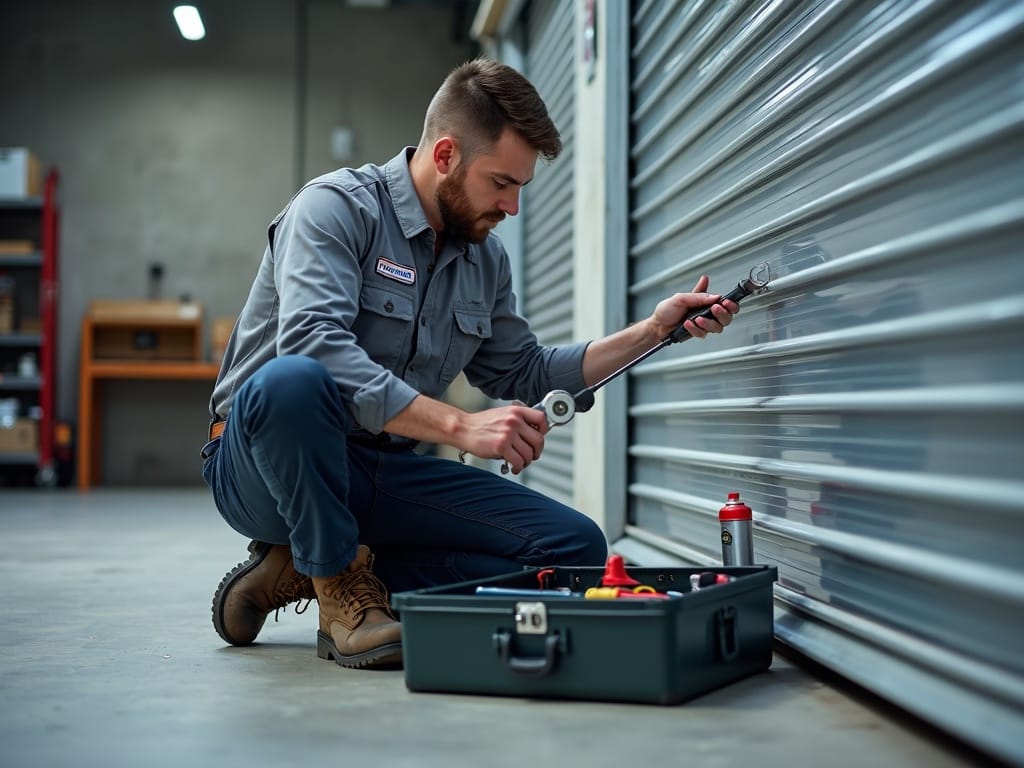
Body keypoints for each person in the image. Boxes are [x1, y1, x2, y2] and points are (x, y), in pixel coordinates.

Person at [202, 58, 739, 670]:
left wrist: (652, 332)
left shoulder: (484, 261)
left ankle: (304, 568)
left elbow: (529, 371)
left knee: (574, 548)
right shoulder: (336, 210)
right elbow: (313, 346)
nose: (512, 207)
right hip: (265, 465)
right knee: (292, 381)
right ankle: (340, 591)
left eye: (520, 188)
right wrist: (461, 427)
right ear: (447, 154)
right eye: (501, 183)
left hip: (378, 468)